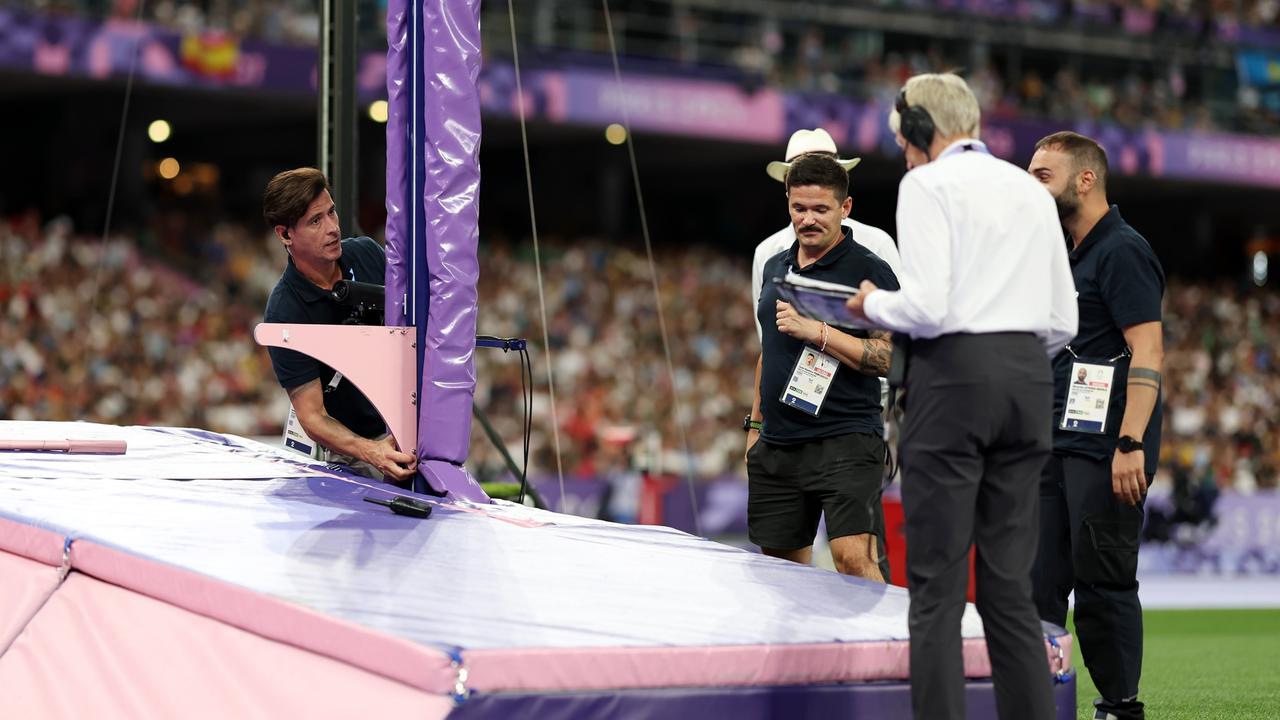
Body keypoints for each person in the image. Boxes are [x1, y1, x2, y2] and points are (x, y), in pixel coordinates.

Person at [846, 73, 1078, 720]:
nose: (903, 155)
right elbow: (1065, 321)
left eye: (902, 142)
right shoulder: (1028, 190)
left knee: (938, 591)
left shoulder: (925, 184)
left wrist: (871, 304)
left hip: (954, 380)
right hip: (1029, 380)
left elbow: (925, 304)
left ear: (921, 131)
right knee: (1010, 591)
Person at [1028, 131, 1165, 720]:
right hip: (1052, 441)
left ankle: (1118, 708)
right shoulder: (1062, 253)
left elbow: (1148, 349)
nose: (1031, 183)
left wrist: (1130, 440)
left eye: (1042, 174)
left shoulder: (1122, 250)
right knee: (1036, 582)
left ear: (1084, 179)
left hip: (1106, 447)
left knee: (1102, 584)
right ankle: (1040, 700)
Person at [749, 127, 901, 580]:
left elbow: (895, 357)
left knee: (855, 558)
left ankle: (889, 650)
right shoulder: (772, 260)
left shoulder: (874, 260)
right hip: (778, 441)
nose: (808, 218)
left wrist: (818, 332)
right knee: (782, 574)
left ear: (844, 205)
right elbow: (767, 348)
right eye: (799, 208)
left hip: (846, 435)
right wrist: (755, 427)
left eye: (820, 209)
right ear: (787, 201)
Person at [261, 167, 416, 484]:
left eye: (331, 213)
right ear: (285, 234)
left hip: (403, 428)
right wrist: (371, 450)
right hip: (343, 450)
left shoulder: (368, 254)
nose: (332, 228)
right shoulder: (283, 312)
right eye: (315, 221)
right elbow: (313, 416)